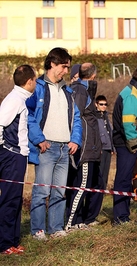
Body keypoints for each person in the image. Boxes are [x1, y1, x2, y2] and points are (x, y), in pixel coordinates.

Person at [27, 47, 82, 240]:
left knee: (59, 191)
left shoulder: (68, 91)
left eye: (67, 67)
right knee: (41, 191)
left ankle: (56, 228)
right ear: (52, 64)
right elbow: (29, 116)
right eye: (63, 67)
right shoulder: (37, 87)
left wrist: (75, 139)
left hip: (64, 149)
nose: (66, 71)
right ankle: (38, 231)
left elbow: (76, 117)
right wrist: (39, 139)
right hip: (46, 148)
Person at [0, 65, 36, 255]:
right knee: (9, 200)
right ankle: (5, 244)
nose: (36, 83)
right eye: (35, 80)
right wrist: (4, 148)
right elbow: (0, 122)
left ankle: (13, 240)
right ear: (29, 81)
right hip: (11, 156)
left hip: (19, 155)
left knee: (15, 199)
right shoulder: (14, 100)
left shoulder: (20, 99)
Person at [112, 67, 137, 225]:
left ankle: (124, 215)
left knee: (126, 179)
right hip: (126, 144)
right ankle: (120, 217)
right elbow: (128, 123)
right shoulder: (131, 95)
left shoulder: (133, 91)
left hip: (127, 143)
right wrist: (135, 145)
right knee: (123, 180)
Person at [65, 63, 103, 230]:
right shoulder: (80, 90)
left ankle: (80, 220)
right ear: (93, 75)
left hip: (91, 145)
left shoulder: (86, 89)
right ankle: (70, 222)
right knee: (81, 185)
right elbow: (75, 116)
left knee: (86, 184)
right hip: (85, 146)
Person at [95, 95, 115, 189]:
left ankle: (102, 193)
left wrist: (112, 148)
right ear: (96, 104)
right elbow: (96, 134)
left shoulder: (106, 117)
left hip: (108, 148)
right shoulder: (95, 117)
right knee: (99, 173)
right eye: (101, 104)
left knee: (105, 174)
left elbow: (110, 132)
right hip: (101, 149)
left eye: (105, 104)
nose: (103, 106)